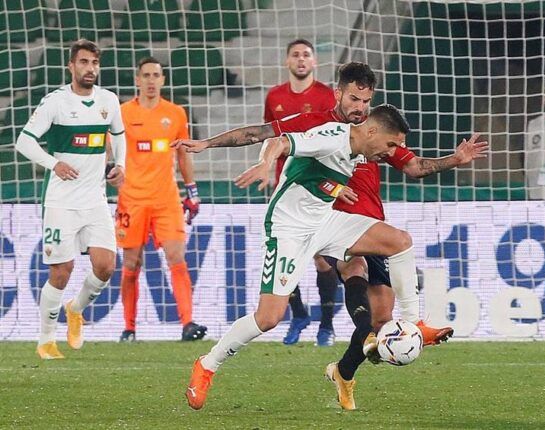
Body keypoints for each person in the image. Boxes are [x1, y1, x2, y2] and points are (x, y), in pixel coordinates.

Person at [174, 62, 487, 410]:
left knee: (400, 241)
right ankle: (207, 364)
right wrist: (257, 160)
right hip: (290, 229)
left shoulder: (363, 141)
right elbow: (276, 141)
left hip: (325, 220)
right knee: (268, 318)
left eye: (365, 101)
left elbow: (408, 165)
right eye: (389, 145)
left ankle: (415, 324)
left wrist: (454, 159)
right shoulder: (327, 134)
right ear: (369, 129)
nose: (388, 153)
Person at [14, 39, 126, 359]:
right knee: (61, 271)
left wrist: (121, 165)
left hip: (95, 200)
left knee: (105, 266)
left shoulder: (108, 100)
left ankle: (75, 310)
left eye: (94, 63)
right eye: (84, 62)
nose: (90, 69)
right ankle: (46, 340)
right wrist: (54, 163)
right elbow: (24, 142)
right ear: (71, 66)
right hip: (60, 202)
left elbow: (118, 135)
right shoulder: (56, 102)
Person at [116, 57, 207, 342]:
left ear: (163, 80)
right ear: (137, 80)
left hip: (166, 197)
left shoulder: (176, 114)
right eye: (146, 75)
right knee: (131, 263)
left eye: (156, 75)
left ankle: (188, 323)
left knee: (176, 256)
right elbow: (112, 153)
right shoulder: (122, 113)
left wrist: (192, 191)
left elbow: (183, 155)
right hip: (132, 198)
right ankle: (129, 328)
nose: (151, 80)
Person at [264, 38, 338, 346]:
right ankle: (298, 314)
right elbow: (269, 136)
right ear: (287, 62)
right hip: (286, 186)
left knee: (323, 260)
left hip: (318, 187)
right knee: (284, 253)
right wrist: (266, 167)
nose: (301, 59)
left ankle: (327, 326)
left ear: (314, 61)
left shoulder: (326, 96)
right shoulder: (275, 96)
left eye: (306, 54)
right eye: (295, 55)